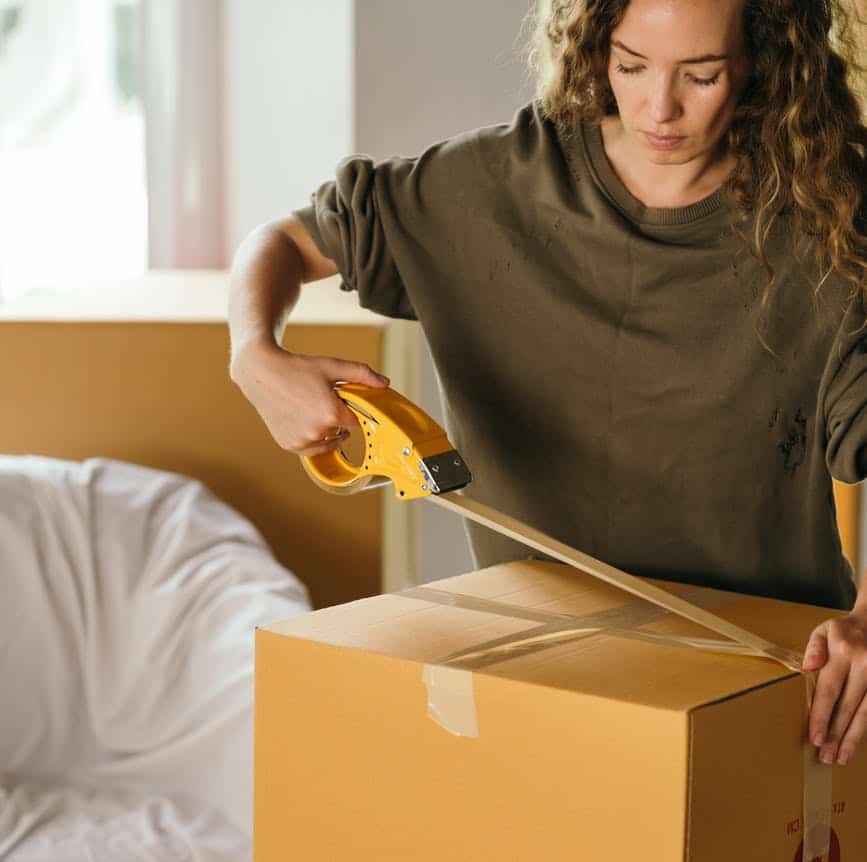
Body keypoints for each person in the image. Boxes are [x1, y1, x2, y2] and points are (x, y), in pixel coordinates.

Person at [228, 0, 867, 766]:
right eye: (630, 66)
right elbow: (285, 242)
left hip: (770, 684)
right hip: (538, 677)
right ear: (596, 44)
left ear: (763, 60)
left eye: (699, 75)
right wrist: (254, 352)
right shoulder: (490, 183)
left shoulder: (830, 213)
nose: (657, 108)